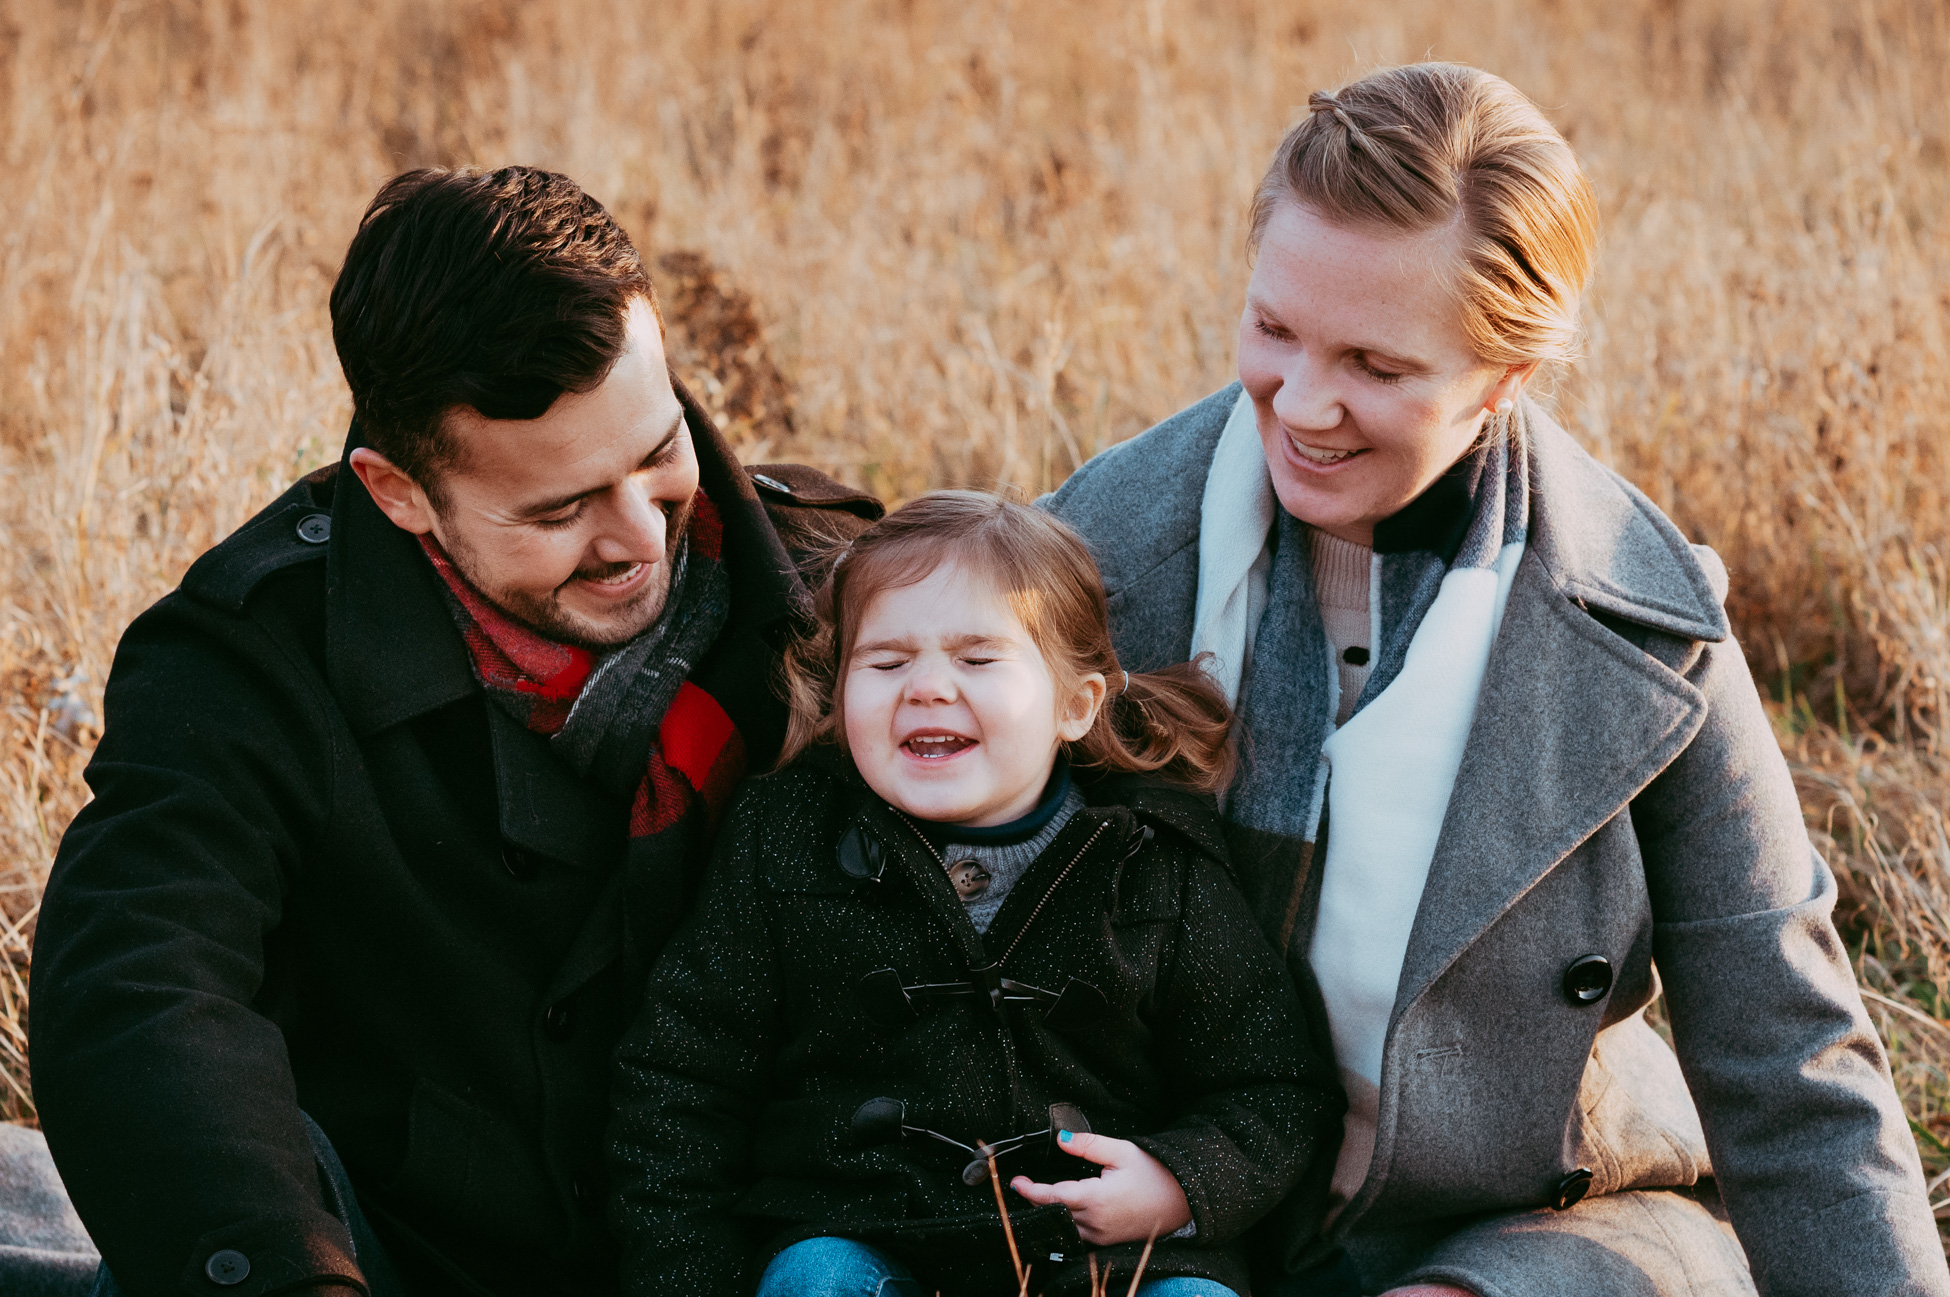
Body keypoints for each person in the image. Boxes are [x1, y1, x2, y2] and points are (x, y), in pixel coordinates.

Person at [1043, 63, 1950, 1297]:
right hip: (1173, 1211)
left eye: (1377, 362)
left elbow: (1788, 1058)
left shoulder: (1648, 625)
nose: (1304, 404)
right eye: (1274, 330)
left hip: (1535, 1229)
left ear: (1508, 374)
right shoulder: (1086, 555)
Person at [28, 166, 880, 1297]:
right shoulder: (251, 659)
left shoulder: (846, 594)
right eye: (558, 508)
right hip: (405, 1258)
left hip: (778, 1252)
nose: (639, 538)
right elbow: (143, 984)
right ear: (396, 492)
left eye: (656, 453)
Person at [606, 492, 1341, 1297]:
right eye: (885, 661)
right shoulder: (782, 839)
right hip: (867, 1241)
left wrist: (1179, 1185)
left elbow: (1272, 1084)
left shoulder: (1156, 863)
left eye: (978, 659)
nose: (926, 686)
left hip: (1109, 1262)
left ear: (1075, 703)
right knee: (816, 1279)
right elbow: (679, 1083)